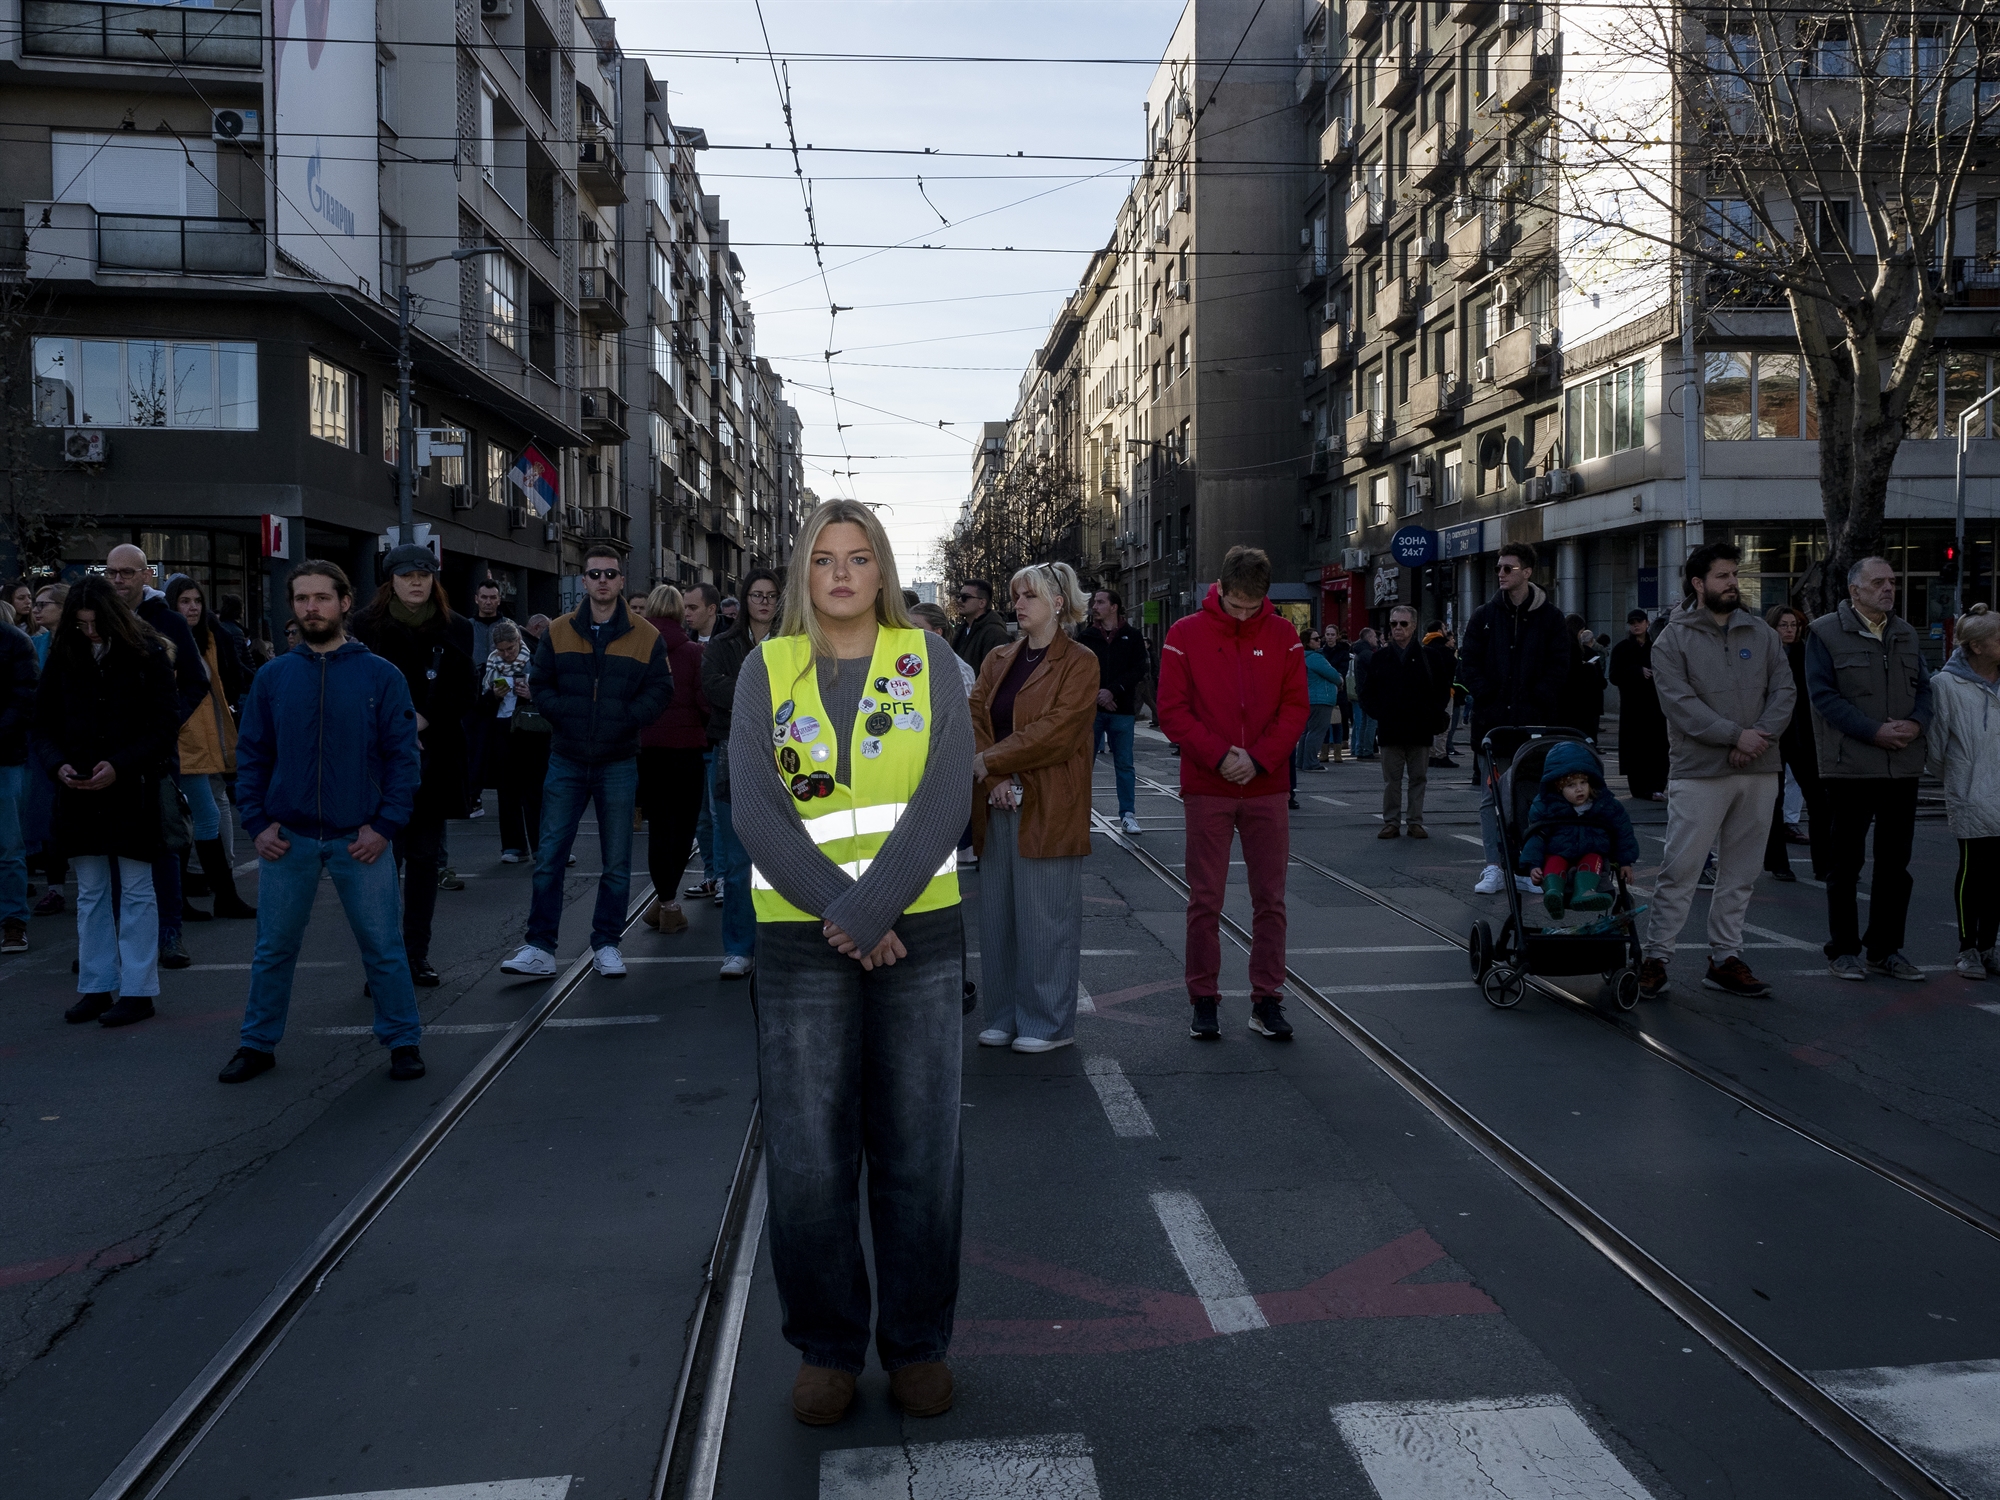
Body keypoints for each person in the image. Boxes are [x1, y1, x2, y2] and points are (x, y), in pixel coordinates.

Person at [727, 499, 972, 1426]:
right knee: (806, 1159)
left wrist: (874, 910)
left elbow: (950, 790)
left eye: (858, 557)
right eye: (824, 558)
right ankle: (827, 1349)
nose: (840, 573)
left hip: (917, 932)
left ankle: (916, 1344)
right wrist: (853, 914)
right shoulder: (767, 668)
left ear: (883, 571)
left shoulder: (930, 660)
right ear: (802, 572)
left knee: (921, 1154)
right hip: (802, 942)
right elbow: (755, 809)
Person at [219, 560, 426, 1084]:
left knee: (383, 948)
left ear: (344, 603)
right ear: (292, 606)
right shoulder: (273, 677)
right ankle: (256, 1044)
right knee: (273, 950)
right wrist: (257, 823)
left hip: (361, 838)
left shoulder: (381, 675)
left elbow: (404, 759)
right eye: (302, 598)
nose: (312, 607)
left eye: (322, 598)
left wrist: (384, 826)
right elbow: (253, 755)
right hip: (288, 839)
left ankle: (403, 1041)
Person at [1158, 546, 1310, 1041]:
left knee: (1272, 899)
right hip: (1209, 784)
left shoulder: (1283, 634)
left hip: (1266, 785)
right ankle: (1203, 998)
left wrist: (1260, 757)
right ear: (1219, 588)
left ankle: (1267, 999)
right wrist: (1222, 755)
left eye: (1254, 607)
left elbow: (1295, 708)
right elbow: (1173, 711)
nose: (1245, 615)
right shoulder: (1183, 636)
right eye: (1236, 605)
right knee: (1205, 899)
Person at [500, 546, 673, 979]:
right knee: (550, 855)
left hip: (618, 760)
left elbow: (660, 690)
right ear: (584, 581)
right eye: (594, 573)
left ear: (620, 581)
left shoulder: (646, 635)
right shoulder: (558, 631)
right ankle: (539, 946)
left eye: (610, 574)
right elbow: (540, 684)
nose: (602, 581)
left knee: (616, 860)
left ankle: (607, 943)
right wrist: (569, 717)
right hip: (567, 757)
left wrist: (625, 719)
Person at [1639, 542, 1795, 1001]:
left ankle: (1725, 957)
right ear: (1698, 584)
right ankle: (1656, 957)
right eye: (1724, 576)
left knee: (1741, 871)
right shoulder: (1672, 638)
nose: (1733, 583)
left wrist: (1758, 737)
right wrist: (1735, 736)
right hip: (1700, 770)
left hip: (1760, 766)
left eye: (1734, 575)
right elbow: (1680, 705)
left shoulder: (1761, 633)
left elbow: (1784, 690)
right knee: (1681, 867)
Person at [35, 579, 180, 1025]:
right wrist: (57, 764)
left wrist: (119, 764)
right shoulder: (64, 654)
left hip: (129, 788)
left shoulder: (146, 653)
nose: (89, 632)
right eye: (80, 625)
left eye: (95, 624)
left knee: (136, 891)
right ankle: (97, 986)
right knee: (92, 893)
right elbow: (43, 722)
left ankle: (137, 990)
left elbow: (163, 725)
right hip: (79, 787)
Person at [971, 562, 1098, 1052]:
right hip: (997, 798)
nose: (1018, 604)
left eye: (1029, 596)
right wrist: (996, 775)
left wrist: (991, 762)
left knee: (1046, 917)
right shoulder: (999, 657)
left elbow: (1058, 733)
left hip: (1051, 803)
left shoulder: (1080, 661)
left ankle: (1047, 1023)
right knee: (999, 916)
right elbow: (975, 713)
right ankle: (1003, 1015)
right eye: (1015, 595)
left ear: (1059, 602)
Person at [352, 546, 478, 988]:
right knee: (383, 863)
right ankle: (382, 963)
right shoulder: (365, 627)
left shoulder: (455, 627)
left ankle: (414, 956)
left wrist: (423, 720)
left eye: (425, 574)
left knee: (424, 862)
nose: (417, 581)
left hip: (434, 757)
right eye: (407, 574)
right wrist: (398, 728)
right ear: (391, 580)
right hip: (379, 761)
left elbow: (464, 690)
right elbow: (355, 689)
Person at [1806, 556, 1933, 983]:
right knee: (1846, 864)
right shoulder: (1824, 633)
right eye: (1878, 582)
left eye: (1892, 582)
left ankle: (1886, 949)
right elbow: (1823, 697)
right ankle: (1843, 950)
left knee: (1896, 865)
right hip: (1851, 768)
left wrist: (1916, 723)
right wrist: (1874, 731)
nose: (1888, 589)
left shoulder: (1905, 633)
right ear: (1854, 590)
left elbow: (1925, 688)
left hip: (1902, 765)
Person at [104, 543, 209, 969]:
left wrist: (168, 723)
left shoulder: (168, 621)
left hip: (158, 757)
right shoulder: (97, 620)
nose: (118, 581)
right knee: (111, 847)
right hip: (109, 754)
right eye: (112, 573)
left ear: (146, 575)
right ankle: (112, 938)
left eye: (127, 573)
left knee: (164, 845)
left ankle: (170, 933)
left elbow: (195, 681)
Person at [1458, 542, 1570, 895]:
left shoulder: (1550, 618)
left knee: (1529, 798)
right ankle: (1493, 866)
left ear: (1527, 572)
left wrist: (1539, 698)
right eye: (1498, 568)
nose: (1501, 574)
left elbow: (1559, 667)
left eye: (1508, 568)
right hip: (1493, 726)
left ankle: (1525, 866)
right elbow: (1468, 662)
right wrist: (1486, 694)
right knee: (1491, 798)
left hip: (1533, 729)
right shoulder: (1484, 616)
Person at [700, 568, 782, 979]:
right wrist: (767, 693)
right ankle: (738, 948)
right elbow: (712, 687)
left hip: (788, 755)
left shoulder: (796, 641)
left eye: (771, 596)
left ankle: (783, 945)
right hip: (733, 753)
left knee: (788, 855)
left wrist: (746, 691)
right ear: (744, 599)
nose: (764, 602)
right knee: (736, 859)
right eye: (757, 595)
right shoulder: (723, 643)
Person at [161, 576, 255, 920]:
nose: (193, 607)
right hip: (184, 739)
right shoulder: (169, 640)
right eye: (185, 601)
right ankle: (215, 896)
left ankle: (192, 897)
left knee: (197, 817)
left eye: (197, 601)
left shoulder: (207, 639)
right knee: (203, 816)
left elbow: (222, 684)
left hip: (207, 736)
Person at [1928, 604, 2000, 980]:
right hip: (1971, 788)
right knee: (1974, 870)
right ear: (1976, 646)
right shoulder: (1946, 685)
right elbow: (1936, 746)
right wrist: (1958, 778)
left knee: (1998, 875)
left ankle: (1989, 945)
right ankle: (1967, 947)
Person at [637, 585, 709, 935]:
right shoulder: (694, 651)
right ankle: (668, 904)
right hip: (688, 750)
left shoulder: (638, 648)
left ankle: (664, 902)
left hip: (649, 749)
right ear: (681, 613)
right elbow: (704, 701)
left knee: (659, 829)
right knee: (683, 830)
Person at [1520, 743, 1640, 917]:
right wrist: (1533, 865)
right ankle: (1554, 892)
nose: (1579, 789)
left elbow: (1623, 832)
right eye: (1571, 785)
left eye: (1583, 782)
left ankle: (1585, 892)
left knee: (1593, 859)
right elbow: (1536, 837)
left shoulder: (1605, 805)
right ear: (1558, 788)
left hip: (1591, 852)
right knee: (1554, 861)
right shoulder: (1547, 807)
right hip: (1557, 852)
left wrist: (1625, 861)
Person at [1362, 605, 1450, 839]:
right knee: (1392, 779)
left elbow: (1442, 689)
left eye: (1403, 624)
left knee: (1418, 777)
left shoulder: (1429, 656)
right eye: (1393, 624)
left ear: (1413, 626)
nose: (1397, 628)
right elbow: (1367, 692)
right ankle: (1391, 821)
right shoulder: (1380, 657)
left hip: (1420, 727)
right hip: (1391, 728)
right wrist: (1379, 712)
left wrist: (1431, 713)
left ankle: (1415, 821)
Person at [1762, 604, 1829, 883]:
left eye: (1793, 625)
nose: (1790, 630)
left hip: (1805, 735)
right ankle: (1778, 862)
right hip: (1773, 736)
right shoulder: (1764, 656)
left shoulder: (1807, 654)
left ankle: (1825, 863)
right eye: (1784, 625)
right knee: (1772, 802)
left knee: (1819, 800)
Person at [1075, 587, 1148, 835]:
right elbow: (1079, 671)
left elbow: (1139, 668)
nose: (1095, 606)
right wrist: (1098, 694)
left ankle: (1128, 815)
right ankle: (1080, 816)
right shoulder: (1086, 637)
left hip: (1122, 710)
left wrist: (1113, 691)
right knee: (1085, 765)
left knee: (1125, 764)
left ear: (1114, 607)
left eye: (1100, 602)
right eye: (1095, 602)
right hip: (1092, 711)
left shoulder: (1132, 636)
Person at [479, 620, 544, 862]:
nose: (506, 655)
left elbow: (551, 691)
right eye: (501, 650)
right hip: (502, 729)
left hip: (530, 731)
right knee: (507, 790)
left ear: (519, 642)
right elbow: (479, 703)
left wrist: (531, 694)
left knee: (534, 791)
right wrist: (492, 696)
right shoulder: (490, 664)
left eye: (510, 649)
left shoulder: (535, 659)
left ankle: (540, 846)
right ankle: (513, 846)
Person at [0, 604, 36, 954]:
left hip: (5, 756)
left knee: (9, 845)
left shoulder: (14, 642)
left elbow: (24, 696)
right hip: (8, 753)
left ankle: (13, 921)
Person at [1607, 609, 1669, 800]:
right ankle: (1639, 787)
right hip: (1633, 708)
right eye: (1632, 622)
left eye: (1639, 621)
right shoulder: (1622, 648)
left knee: (1657, 747)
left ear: (1646, 623)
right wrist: (1635, 671)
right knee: (1635, 749)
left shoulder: (1656, 647)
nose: (1636, 625)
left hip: (1654, 707)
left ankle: (1657, 786)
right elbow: (1614, 676)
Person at [464, 578, 509, 814]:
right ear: (477, 598)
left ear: (499, 600)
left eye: (493, 597)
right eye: (484, 597)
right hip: (474, 696)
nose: (488, 602)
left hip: (502, 694)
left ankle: (509, 798)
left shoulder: (509, 626)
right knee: (474, 749)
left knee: (502, 750)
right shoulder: (467, 626)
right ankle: (472, 796)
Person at [1297, 626, 1340, 776]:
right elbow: (1332, 674)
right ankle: (1311, 763)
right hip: (1321, 698)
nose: (1319, 641)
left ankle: (1301, 761)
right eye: (1315, 639)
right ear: (1308, 642)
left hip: (1308, 697)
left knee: (1307, 731)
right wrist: (1339, 680)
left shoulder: (1301, 656)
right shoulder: (1315, 657)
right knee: (1316, 731)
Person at [1558, 613, 1607, 741]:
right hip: (1578, 707)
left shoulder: (1560, 647)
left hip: (1564, 706)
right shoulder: (1575, 650)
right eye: (1580, 632)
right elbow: (1577, 676)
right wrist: (1588, 667)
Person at [950, 579, 1011, 672]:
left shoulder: (995, 634)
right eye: (959, 596)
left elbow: (997, 675)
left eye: (965, 597)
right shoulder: (961, 631)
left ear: (982, 603)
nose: (959, 600)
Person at [1347, 626, 1379, 759]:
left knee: (1364, 722)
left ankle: (1361, 749)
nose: (1376, 639)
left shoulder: (1360, 653)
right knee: (1371, 722)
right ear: (1369, 638)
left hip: (1362, 692)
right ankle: (1367, 750)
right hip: (1370, 692)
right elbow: (1377, 670)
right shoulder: (1367, 654)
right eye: (1374, 637)